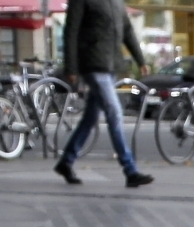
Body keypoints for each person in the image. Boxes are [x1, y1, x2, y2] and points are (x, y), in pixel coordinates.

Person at [55, 0, 152, 187]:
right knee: (114, 111)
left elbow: (127, 30)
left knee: (90, 117)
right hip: (92, 63)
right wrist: (71, 67)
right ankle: (130, 170)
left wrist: (140, 59)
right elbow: (71, 31)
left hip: (110, 64)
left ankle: (66, 161)